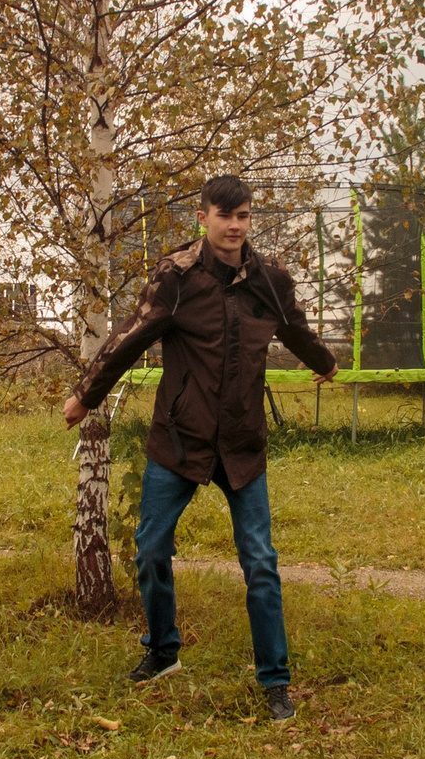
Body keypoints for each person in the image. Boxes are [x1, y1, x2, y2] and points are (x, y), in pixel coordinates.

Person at [64, 175, 338, 722]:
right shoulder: (176, 276)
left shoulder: (270, 280)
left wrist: (324, 363)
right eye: (223, 216)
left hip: (241, 443)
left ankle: (275, 681)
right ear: (203, 218)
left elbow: (297, 329)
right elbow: (130, 336)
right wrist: (85, 394)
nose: (234, 226)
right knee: (150, 550)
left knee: (260, 563)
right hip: (179, 439)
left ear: (249, 220)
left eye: (243, 217)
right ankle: (163, 652)